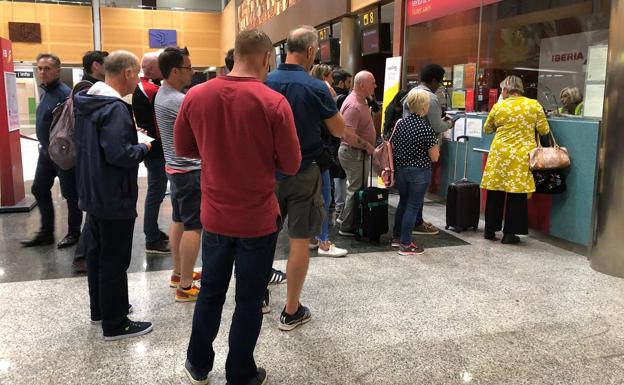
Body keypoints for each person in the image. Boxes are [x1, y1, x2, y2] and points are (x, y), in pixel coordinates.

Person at [178, 29, 301, 385]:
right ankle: (240, 373)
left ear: (235, 56)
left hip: (215, 216)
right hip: (258, 221)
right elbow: (291, 164)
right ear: (265, 58)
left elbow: (185, 148)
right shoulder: (274, 102)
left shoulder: (197, 95)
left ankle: (198, 364)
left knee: (211, 292)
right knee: (248, 300)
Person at [266, 25, 346, 331]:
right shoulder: (315, 87)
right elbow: (338, 129)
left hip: (268, 174)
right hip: (304, 170)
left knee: (265, 235)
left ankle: (260, 295)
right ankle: (291, 310)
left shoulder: (265, 81)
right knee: (299, 239)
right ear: (312, 51)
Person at [73, 50, 154, 340]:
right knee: (115, 260)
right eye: (137, 74)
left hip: (93, 190)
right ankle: (116, 322)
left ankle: (101, 309)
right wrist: (142, 147)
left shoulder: (87, 101)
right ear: (128, 73)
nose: (138, 80)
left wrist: (131, 136)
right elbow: (120, 155)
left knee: (97, 254)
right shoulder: (116, 108)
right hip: (114, 194)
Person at [154, 47, 202, 302]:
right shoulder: (180, 100)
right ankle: (185, 286)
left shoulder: (162, 94)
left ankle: (177, 273)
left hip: (175, 169)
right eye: (188, 67)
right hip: (190, 171)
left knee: (179, 220)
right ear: (175, 71)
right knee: (194, 227)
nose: (191, 72)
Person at [21, 53, 82, 249]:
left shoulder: (65, 94)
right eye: (39, 68)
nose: (42, 72)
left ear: (57, 70)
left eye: (47, 68)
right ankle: (46, 232)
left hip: (62, 154)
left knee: (70, 195)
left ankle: (74, 233)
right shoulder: (46, 91)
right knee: (38, 188)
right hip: (47, 153)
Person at [481, 75, 550, 244]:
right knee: (517, 194)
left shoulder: (499, 106)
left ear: (506, 90)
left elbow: (487, 128)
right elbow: (544, 129)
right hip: (521, 155)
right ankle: (510, 234)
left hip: (499, 154)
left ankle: (490, 230)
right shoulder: (533, 105)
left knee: (495, 190)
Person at [402, 64, 453, 236]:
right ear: (433, 80)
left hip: (405, 154)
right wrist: (450, 123)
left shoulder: (411, 94)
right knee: (415, 198)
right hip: (422, 154)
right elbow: (437, 126)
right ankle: (414, 227)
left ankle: (403, 232)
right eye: (438, 82)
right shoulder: (429, 98)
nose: (438, 86)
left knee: (406, 199)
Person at [72, 50, 109, 272]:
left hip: (88, 153)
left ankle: (85, 253)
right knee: (94, 208)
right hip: (88, 155)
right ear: (96, 65)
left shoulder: (89, 87)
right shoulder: (88, 89)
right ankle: (83, 255)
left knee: (93, 208)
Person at [390, 89, 440, 255]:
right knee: (413, 206)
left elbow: (393, 144)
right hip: (419, 171)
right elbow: (434, 157)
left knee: (403, 203)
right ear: (424, 107)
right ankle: (405, 244)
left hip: (401, 170)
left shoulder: (400, 124)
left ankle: (396, 238)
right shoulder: (425, 129)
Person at [132, 52, 170, 254]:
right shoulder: (150, 89)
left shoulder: (145, 86)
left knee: (156, 191)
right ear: (153, 68)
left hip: (152, 147)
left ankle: (153, 231)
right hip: (156, 150)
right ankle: (151, 237)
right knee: (156, 192)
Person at [309, 65, 348, 258]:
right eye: (331, 79)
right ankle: (323, 242)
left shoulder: (304, 91)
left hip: (304, 156)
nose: (333, 83)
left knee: (309, 199)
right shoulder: (322, 93)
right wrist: (329, 96)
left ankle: (313, 238)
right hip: (320, 153)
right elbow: (338, 128)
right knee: (324, 198)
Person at [336, 71, 377, 237]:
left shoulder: (362, 101)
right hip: (354, 153)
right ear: (362, 85)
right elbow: (348, 135)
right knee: (355, 189)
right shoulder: (354, 105)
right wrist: (367, 145)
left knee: (355, 188)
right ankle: (346, 226)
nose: (375, 85)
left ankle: (344, 219)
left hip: (356, 153)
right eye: (372, 82)